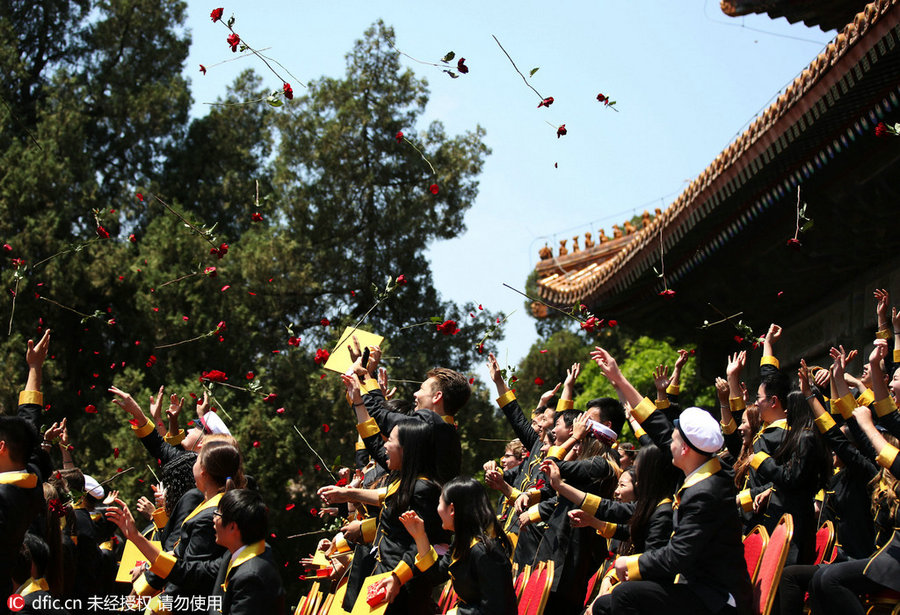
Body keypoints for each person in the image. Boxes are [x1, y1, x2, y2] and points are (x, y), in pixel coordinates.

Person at [592, 346, 752, 615]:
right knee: (607, 605)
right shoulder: (698, 468)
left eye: (674, 439)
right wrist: (619, 379)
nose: (668, 443)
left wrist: (632, 563)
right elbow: (658, 425)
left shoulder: (706, 492)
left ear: (685, 449)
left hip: (718, 599)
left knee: (625, 595)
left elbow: (678, 556)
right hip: (698, 587)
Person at [319, 386, 450, 615]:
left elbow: (421, 543)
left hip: (400, 588)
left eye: (390, 440)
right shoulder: (404, 478)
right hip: (382, 576)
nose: (385, 446)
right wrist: (348, 494)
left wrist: (397, 577)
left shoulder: (423, 488)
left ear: (407, 450)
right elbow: (386, 496)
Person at [106, 489, 285, 615]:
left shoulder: (252, 576)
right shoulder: (232, 556)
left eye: (218, 515)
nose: (213, 519)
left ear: (233, 527)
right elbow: (187, 572)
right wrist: (136, 537)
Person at [130, 440, 246, 611]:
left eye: (197, 460)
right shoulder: (214, 503)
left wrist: (159, 607)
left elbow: (191, 573)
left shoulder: (209, 515)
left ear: (203, 471)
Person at [375, 477, 517, 615]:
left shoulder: (485, 552)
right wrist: (420, 536)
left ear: (452, 510)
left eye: (439, 503)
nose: (437, 509)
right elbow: (436, 574)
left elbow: (496, 610)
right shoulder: (463, 542)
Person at [348, 341, 467, 483]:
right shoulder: (447, 432)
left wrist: (352, 375)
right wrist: (367, 375)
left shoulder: (426, 426)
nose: (415, 394)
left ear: (437, 397)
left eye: (421, 389)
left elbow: (380, 416)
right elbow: (383, 414)